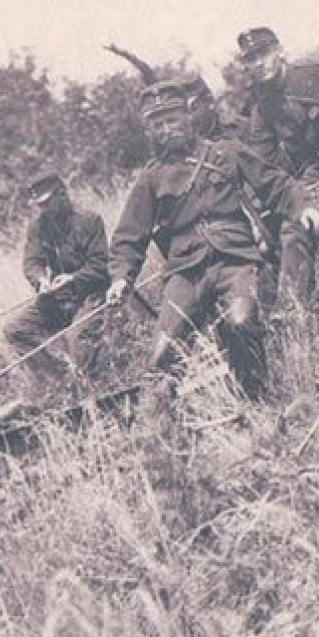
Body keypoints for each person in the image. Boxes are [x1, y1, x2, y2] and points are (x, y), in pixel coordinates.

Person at [106, 79, 277, 401]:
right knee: (161, 356)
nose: (166, 130)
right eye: (157, 125)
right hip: (186, 271)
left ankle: (257, 400)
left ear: (188, 117)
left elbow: (275, 185)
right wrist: (120, 278)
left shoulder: (225, 153)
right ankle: (166, 438)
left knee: (240, 323)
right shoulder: (150, 179)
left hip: (234, 259)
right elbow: (129, 236)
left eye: (172, 120)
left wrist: (305, 209)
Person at [234, 25, 319, 305]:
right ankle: (295, 314)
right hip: (316, 175)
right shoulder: (261, 111)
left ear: (279, 51)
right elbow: (266, 170)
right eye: (251, 59)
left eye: (264, 53)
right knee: (294, 230)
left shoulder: (316, 72)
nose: (259, 63)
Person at [3, 170, 110, 390]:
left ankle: (86, 382)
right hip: (58, 298)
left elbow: (101, 266)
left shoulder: (89, 221)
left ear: (62, 195)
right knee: (15, 330)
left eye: (46, 203)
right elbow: (32, 262)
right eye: (39, 205)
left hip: (91, 295)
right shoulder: (38, 227)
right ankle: (64, 378)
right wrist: (41, 280)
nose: (42, 210)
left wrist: (73, 278)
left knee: (77, 337)